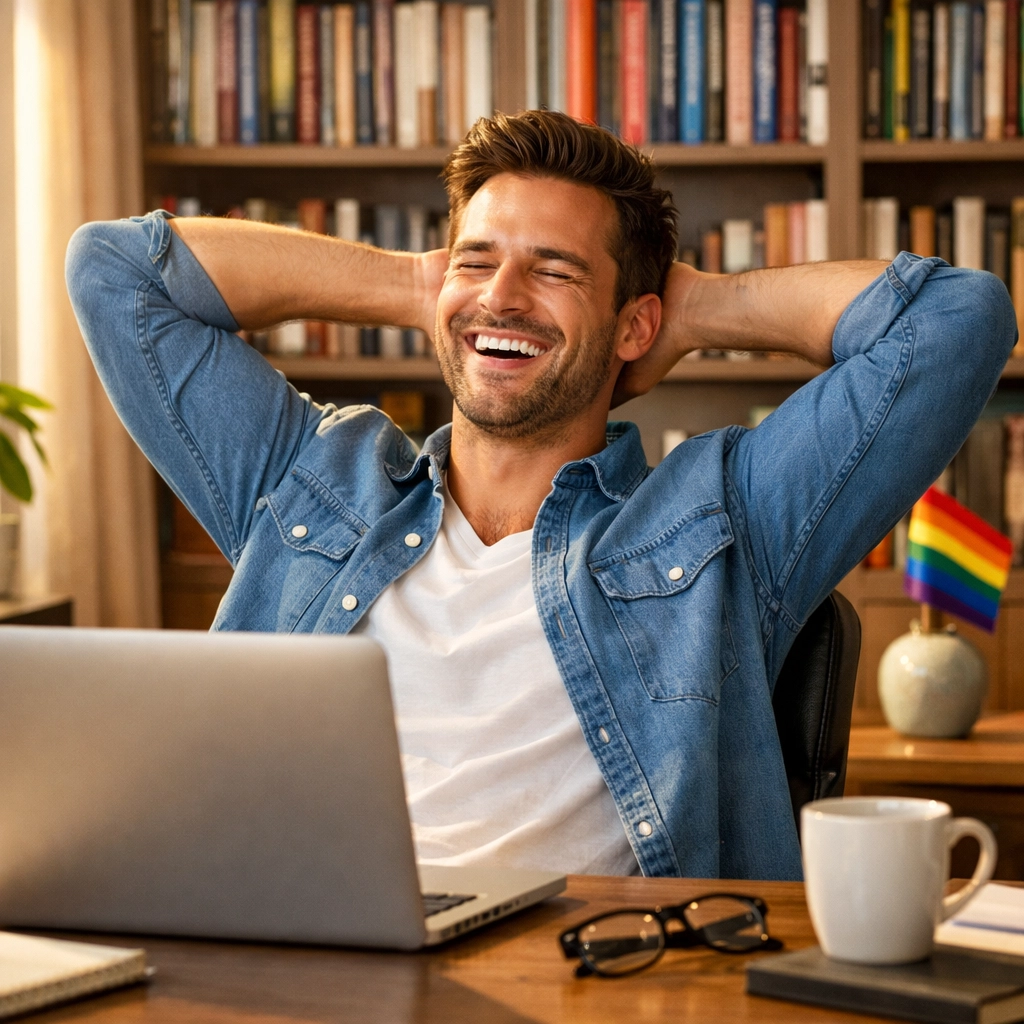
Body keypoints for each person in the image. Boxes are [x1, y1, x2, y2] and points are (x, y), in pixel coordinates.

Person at [66, 110, 1016, 881]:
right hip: (305, 964)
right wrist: (423, 285)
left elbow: (956, 320)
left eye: (555, 271)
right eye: (479, 259)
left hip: (597, 980)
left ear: (635, 320)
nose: (504, 297)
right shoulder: (315, 481)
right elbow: (111, 273)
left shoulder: (723, 518)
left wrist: (692, 311)